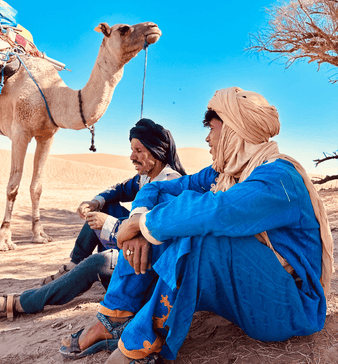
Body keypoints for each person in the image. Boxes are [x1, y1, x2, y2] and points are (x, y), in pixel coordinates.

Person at [59, 87, 334, 364]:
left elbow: (219, 211)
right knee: (169, 218)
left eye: (212, 129)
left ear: (233, 130)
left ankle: (140, 345)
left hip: (287, 307)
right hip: (246, 292)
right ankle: (112, 320)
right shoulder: (225, 172)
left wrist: (144, 223)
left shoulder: (278, 177)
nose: (207, 138)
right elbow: (161, 190)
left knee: (200, 236)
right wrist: (138, 219)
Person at [0, 118, 186, 325]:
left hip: (145, 273)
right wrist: (96, 202)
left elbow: (159, 237)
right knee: (104, 210)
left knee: (100, 261)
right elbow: (120, 189)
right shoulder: (147, 177)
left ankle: (20, 303)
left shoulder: (172, 184)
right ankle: (74, 266)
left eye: (138, 151)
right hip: (129, 250)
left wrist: (109, 225)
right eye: (132, 150)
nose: (132, 156)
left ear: (157, 152)